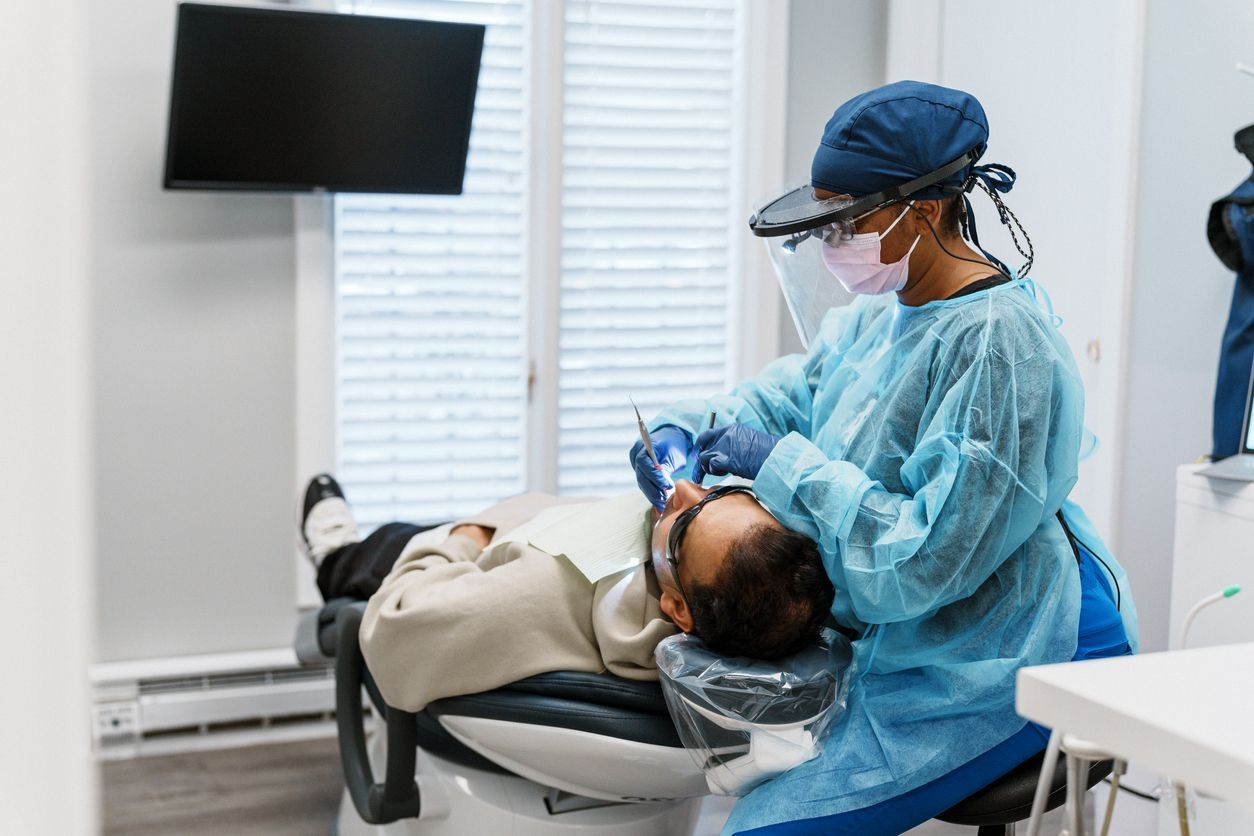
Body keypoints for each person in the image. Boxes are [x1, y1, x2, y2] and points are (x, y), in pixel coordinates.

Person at [629, 81, 1139, 834]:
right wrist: (687, 432)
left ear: (926, 210)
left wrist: (781, 465)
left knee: (762, 827)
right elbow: (788, 400)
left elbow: (920, 562)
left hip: (1019, 649)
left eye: (848, 223)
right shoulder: (881, 315)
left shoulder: (1000, 348)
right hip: (926, 632)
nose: (835, 245)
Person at [300, 473, 834, 712]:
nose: (684, 488)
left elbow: (395, 628)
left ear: (676, 609)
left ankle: (332, 555)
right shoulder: (750, 588)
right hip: (528, 528)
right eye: (721, 494)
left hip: (465, 554)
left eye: (686, 518)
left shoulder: (539, 594)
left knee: (382, 548)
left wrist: (465, 536)